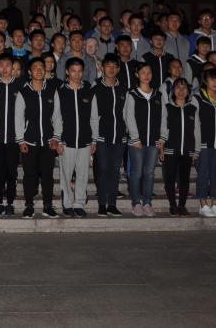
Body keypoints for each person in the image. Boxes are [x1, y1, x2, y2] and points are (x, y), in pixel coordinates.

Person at [14, 57, 62, 218]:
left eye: (42, 67)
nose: (39, 70)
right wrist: (21, 140)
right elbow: (18, 118)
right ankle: (29, 205)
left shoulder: (52, 90)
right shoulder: (24, 92)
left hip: (48, 141)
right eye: (35, 67)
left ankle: (48, 206)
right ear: (29, 72)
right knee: (29, 175)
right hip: (29, 141)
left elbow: (57, 116)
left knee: (48, 175)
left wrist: (56, 137)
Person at [54, 57, 97, 217]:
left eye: (80, 71)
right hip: (66, 141)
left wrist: (94, 140)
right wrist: (58, 139)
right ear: (67, 72)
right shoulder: (60, 91)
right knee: (65, 175)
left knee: (83, 174)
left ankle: (79, 203)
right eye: (73, 71)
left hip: (85, 141)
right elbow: (56, 117)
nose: (77, 74)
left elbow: (94, 118)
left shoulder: (89, 91)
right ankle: (67, 204)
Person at [124, 63, 165, 217]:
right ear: (137, 75)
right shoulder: (132, 94)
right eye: (143, 72)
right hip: (136, 142)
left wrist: (162, 137)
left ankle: (147, 203)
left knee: (149, 173)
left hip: (153, 141)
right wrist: (135, 138)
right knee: (136, 173)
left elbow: (164, 117)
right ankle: (136, 203)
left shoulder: (158, 95)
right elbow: (128, 117)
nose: (146, 75)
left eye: (149, 72)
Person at [90, 54, 127, 217]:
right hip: (102, 136)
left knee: (115, 170)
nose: (111, 69)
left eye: (114, 66)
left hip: (120, 136)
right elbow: (92, 115)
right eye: (108, 66)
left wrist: (127, 132)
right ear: (102, 68)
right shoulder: (96, 87)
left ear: (118, 69)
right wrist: (94, 137)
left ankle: (112, 204)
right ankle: (101, 204)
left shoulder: (123, 88)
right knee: (104, 169)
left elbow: (127, 113)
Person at [159, 78, 200, 216]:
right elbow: (163, 128)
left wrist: (196, 150)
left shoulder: (193, 109)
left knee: (184, 179)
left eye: (184, 88)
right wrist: (161, 148)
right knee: (170, 178)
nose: (181, 91)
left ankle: (182, 205)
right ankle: (172, 205)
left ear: (188, 91)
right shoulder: (167, 108)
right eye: (178, 87)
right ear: (173, 91)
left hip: (187, 150)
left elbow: (197, 130)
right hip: (171, 149)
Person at [0, 53, 24, 216]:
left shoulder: (21, 86)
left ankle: (10, 203)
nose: (5, 68)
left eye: (8, 65)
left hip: (13, 138)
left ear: (13, 67)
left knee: (12, 172)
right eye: (1, 65)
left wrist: (21, 137)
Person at [193, 68, 216, 218]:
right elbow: (194, 124)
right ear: (205, 81)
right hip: (203, 144)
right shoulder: (197, 98)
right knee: (203, 174)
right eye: (212, 79)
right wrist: (195, 145)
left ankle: (215, 204)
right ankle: (203, 205)